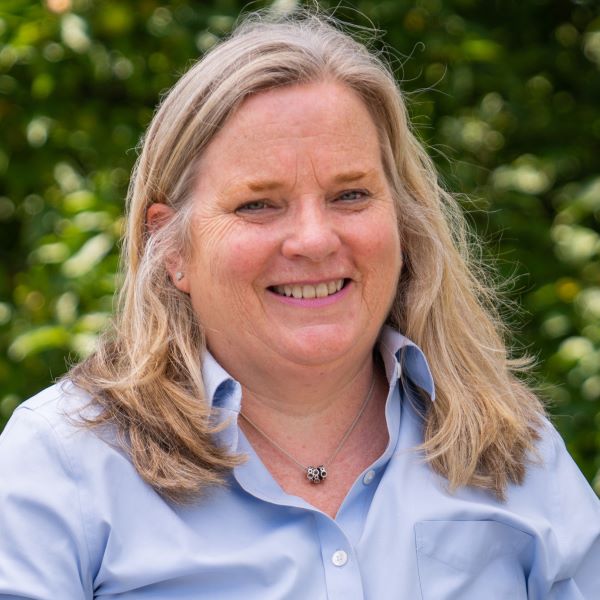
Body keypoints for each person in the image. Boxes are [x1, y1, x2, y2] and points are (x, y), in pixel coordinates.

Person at [0, 10, 598, 600]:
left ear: (403, 221)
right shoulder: (64, 465)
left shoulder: (515, 454)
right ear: (170, 245)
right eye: (259, 205)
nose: (314, 240)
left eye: (351, 194)